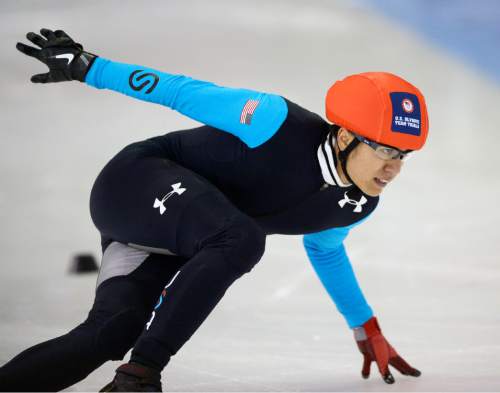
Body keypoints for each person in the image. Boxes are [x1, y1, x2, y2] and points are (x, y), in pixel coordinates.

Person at [0, 28, 428, 392]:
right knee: (241, 237)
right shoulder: (273, 120)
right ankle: (142, 372)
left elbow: (327, 251)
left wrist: (365, 325)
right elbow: (181, 91)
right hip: (134, 183)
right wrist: (87, 66)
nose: (393, 167)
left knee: (107, 335)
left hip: (174, 237)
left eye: (405, 155)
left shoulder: (355, 204)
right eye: (385, 149)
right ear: (344, 137)